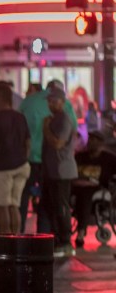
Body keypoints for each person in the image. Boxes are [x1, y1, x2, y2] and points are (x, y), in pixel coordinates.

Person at [19, 79, 77, 233]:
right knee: (51, 203)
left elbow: (19, 128)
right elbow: (74, 131)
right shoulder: (67, 107)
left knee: (24, 198)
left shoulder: (28, 102)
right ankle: (48, 235)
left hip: (30, 159)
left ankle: (20, 232)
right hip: (54, 164)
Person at [0, 82, 31, 234]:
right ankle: (16, 238)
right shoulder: (20, 117)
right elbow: (28, 143)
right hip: (21, 166)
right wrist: (23, 158)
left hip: (2, 167)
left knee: (2, 206)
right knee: (14, 205)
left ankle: (5, 239)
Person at [41, 86, 79, 257]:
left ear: (62, 102)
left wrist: (46, 128)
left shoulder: (64, 120)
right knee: (53, 206)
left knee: (61, 206)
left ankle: (65, 241)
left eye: (54, 101)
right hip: (52, 171)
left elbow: (58, 143)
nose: (50, 104)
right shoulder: (54, 119)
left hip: (62, 172)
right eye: (49, 101)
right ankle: (57, 239)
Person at [74, 130, 116, 247]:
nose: (90, 142)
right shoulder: (80, 157)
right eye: (90, 139)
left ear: (101, 143)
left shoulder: (109, 159)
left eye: (94, 140)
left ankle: (81, 232)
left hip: (96, 187)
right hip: (77, 185)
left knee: (85, 195)